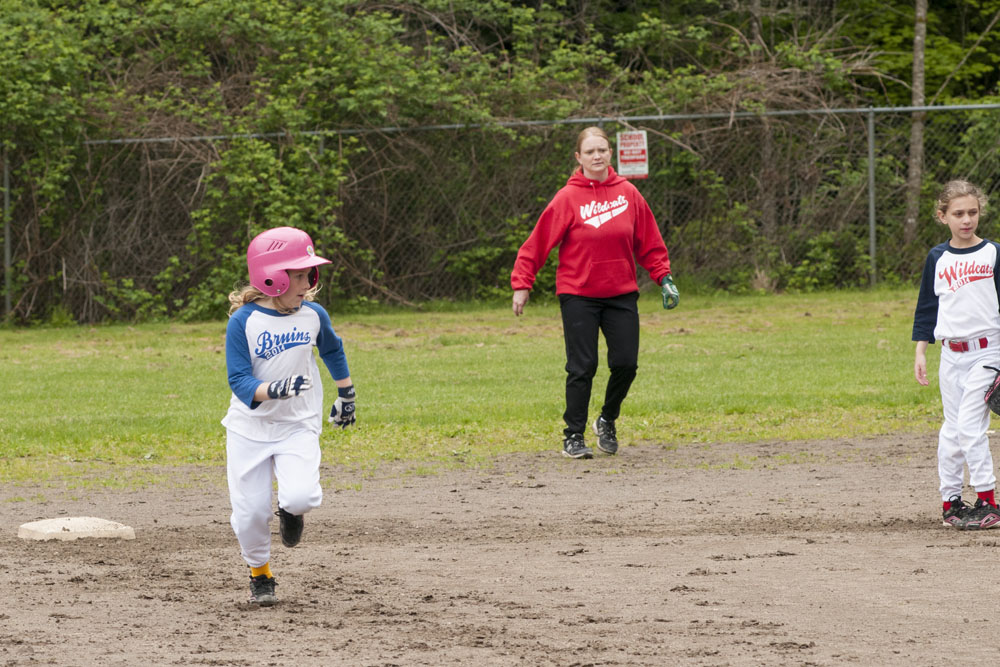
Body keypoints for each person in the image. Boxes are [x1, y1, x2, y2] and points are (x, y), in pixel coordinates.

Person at [511, 126, 678, 459]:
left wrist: (664, 277)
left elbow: (650, 242)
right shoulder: (567, 198)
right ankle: (573, 435)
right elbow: (539, 242)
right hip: (579, 294)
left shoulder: (628, 193)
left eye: (602, 150)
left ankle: (607, 419)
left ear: (610, 153)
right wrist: (522, 283)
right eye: (590, 152)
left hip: (621, 292)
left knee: (626, 364)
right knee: (582, 366)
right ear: (579, 157)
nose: (597, 156)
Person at [223, 226, 357, 606]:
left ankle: (290, 512)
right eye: (298, 275)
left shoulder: (313, 314)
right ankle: (260, 574)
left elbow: (332, 350)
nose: (308, 282)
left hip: (298, 424)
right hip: (249, 429)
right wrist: (274, 390)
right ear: (272, 277)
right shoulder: (244, 322)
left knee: (301, 497)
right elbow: (239, 380)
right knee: (249, 515)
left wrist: (346, 393)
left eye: (309, 274)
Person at [913, 180, 1000, 531]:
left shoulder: (993, 252)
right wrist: (921, 351)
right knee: (951, 431)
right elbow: (927, 309)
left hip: (988, 350)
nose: (967, 220)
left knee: (968, 426)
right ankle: (951, 501)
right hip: (950, 354)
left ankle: (987, 501)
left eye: (973, 212)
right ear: (942, 216)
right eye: (958, 213)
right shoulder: (938, 257)